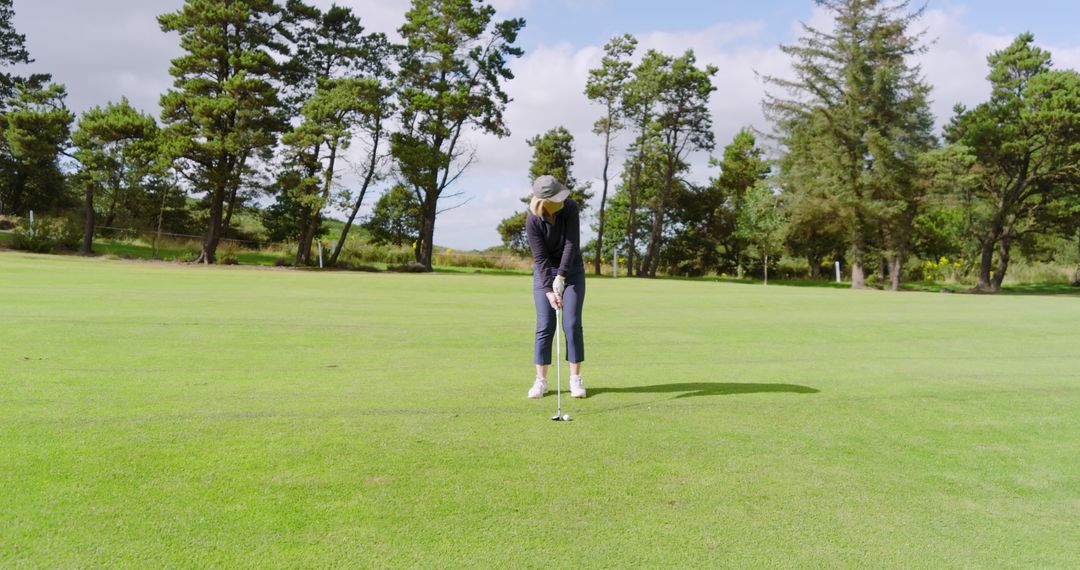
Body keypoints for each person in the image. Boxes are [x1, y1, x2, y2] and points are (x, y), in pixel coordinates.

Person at [525, 175, 586, 400]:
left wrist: (561, 276)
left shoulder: (570, 208)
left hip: (573, 271)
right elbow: (540, 258)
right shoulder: (532, 220)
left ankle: (575, 379)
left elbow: (572, 244)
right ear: (545, 201)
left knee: (571, 324)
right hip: (544, 273)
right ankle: (541, 381)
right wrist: (549, 289)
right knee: (545, 325)